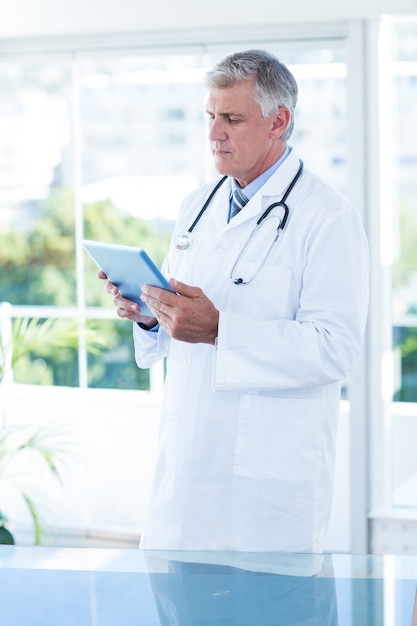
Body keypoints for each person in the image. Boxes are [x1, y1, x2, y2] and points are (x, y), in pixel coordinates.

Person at [100, 49, 369, 553]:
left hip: (265, 492)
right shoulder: (196, 204)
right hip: (184, 477)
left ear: (279, 122)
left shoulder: (329, 218)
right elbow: (184, 316)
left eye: (232, 118)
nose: (213, 133)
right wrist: (150, 315)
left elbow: (337, 348)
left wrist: (222, 328)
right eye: (210, 116)